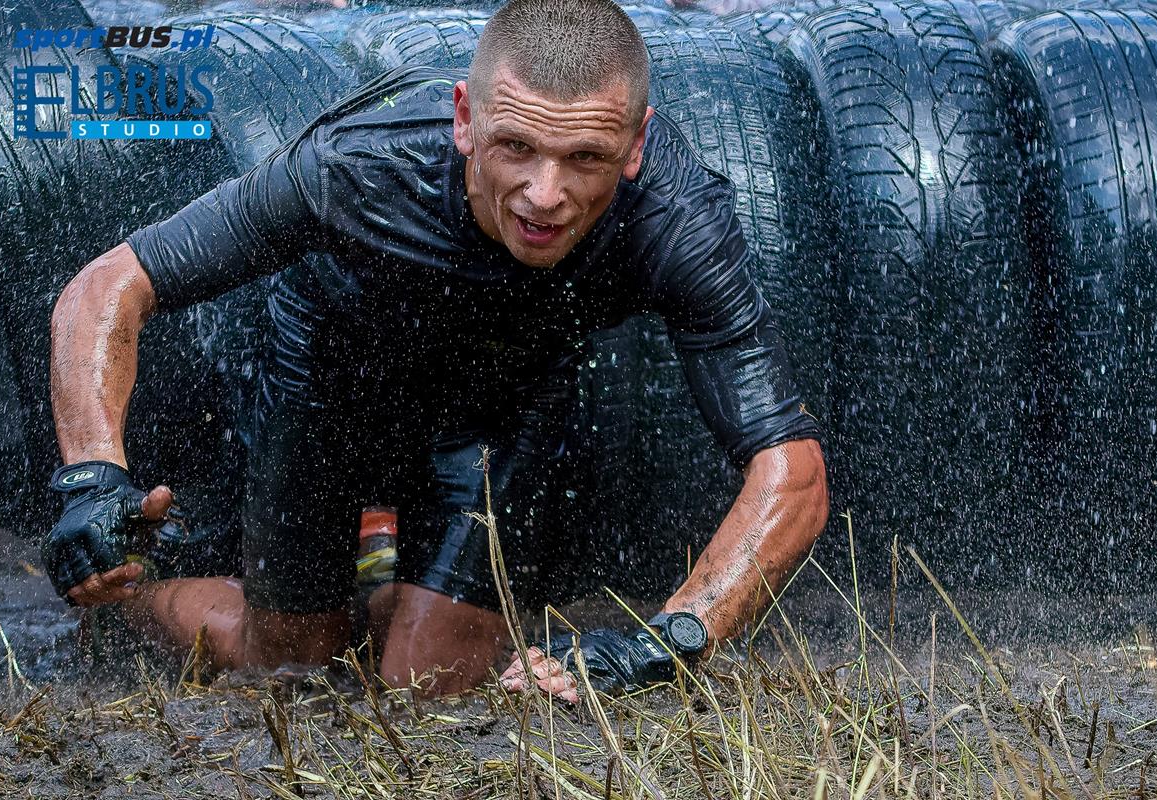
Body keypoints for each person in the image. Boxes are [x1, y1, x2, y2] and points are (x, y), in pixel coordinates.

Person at [43, 0, 828, 701]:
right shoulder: (359, 166)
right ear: (464, 120)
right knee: (289, 664)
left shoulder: (678, 219)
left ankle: (388, 586)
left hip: (504, 402)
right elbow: (111, 284)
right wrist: (91, 479)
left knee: (427, 685)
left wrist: (671, 641)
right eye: (515, 146)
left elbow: (791, 471)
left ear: (636, 144)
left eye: (585, 157)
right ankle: (136, 605)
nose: (545, 195)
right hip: (328, 380)